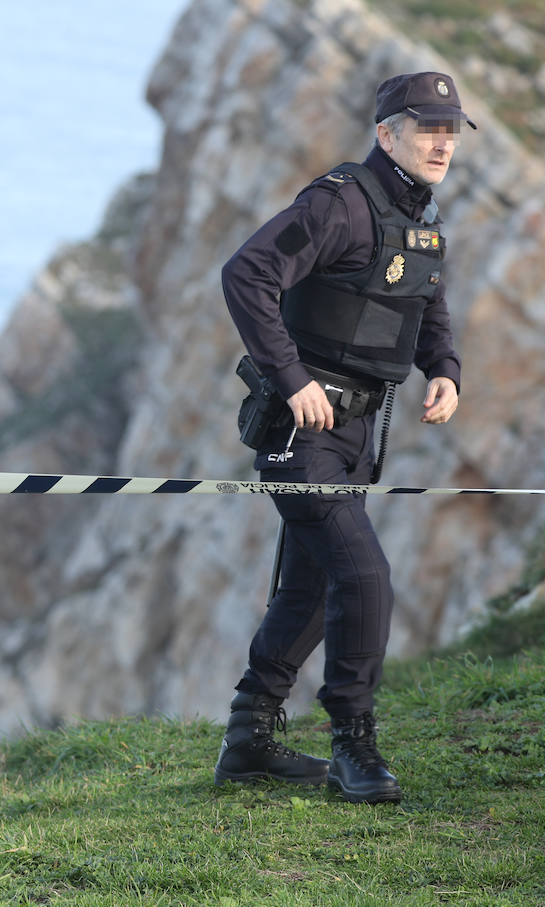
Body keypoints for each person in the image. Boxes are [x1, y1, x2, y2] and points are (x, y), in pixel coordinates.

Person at [214, 72, 470, 803]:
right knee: (364, 580)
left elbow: (427, 302)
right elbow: (248, 273)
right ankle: (354, 745)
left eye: (451, 130)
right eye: (427, 127)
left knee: (312, 582)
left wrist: (443, 370)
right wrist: (290, 376)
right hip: (304, 432)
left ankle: (249, 737)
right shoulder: (339, 203)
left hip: (359, 433)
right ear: (387, 132)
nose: (442, 142)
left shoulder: (416, 213)